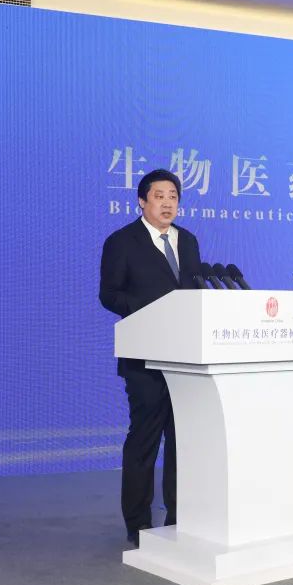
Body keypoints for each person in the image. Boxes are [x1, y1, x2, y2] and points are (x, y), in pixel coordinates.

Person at [99, 168, 202, 546]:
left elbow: (194, 294)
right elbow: (109, 294)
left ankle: (179, 516)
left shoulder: (188, 241)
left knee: (182, 441)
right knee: (145, 439)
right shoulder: (121, 241)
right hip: (144, 359)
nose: (167, 203)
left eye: (173, 196)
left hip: (187, 359)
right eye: (159, 196)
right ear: (142, 201)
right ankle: (138, 522)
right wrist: (148, 311)